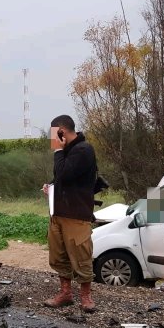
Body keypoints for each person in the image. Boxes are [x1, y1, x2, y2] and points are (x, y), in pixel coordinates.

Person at [42, 115, 98, 312]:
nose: (52, 141)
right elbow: (62, 178)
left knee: (81, 256)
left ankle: (86, 296)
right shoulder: (67, 152)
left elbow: (65, 173)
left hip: (76, 215)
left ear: (62, 132)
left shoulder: (83, 150)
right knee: (59, 256)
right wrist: (51, 187)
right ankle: (65, 293)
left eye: (53, 136)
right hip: (58, 213)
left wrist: (58, 150)